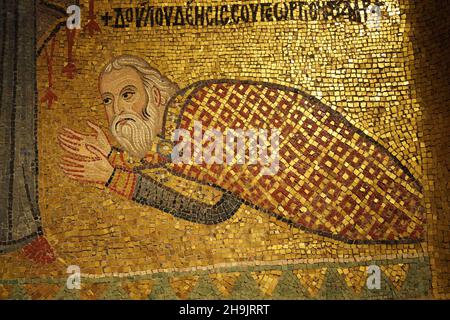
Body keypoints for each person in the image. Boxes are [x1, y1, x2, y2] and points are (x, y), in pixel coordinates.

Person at [59, 54, 425, 244]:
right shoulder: (181, 124)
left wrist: (113, 176)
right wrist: (116, 158)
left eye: (127, 94)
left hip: (351, 188)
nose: (118, 111)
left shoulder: (200, 110)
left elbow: (211, 208)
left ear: (153, 94)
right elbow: (180, 158)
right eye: (108, 100)